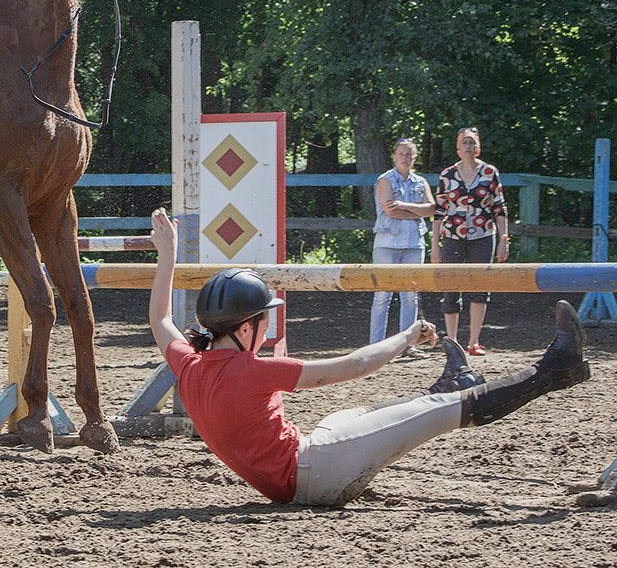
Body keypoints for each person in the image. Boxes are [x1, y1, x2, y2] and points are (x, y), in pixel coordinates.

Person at [148, 207, 589, 507]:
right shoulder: (253, 369)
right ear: (245, 328)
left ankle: (448, 388)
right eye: (265, 320)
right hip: (316, 476)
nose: (269, 327)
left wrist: (166, 255)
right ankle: (554, 370)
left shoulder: (189, 364)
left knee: (346, 416)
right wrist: (407, 336)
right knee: (442, 411)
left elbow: (160, 317)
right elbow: (355, 366)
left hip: (297, 473)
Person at [430, 127, 509, 355]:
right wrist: (435, 245)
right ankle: (452, 341)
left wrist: (504, 239)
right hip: (452, 234)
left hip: (483, 233)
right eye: (464, 143)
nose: (468, 147)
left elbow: (499, 206)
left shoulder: (489, 172)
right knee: (451, 284)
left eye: (472, 143)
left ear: (478, 147)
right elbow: (439, 210)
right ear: (457, 148)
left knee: (480, 286)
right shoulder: (448, 174)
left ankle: (474, 341)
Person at [370, 137, 435, 356]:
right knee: (382, 295)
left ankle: (409, 344)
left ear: (414, 157)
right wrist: (418, 211)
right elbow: (390, 210)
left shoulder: (421, 181)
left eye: (409, 154)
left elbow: (432, 209)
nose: (405, 158)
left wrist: (406, 206)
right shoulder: (385, 180)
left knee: (410, 296)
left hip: (414, 243)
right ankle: (376, 345)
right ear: (394, 156)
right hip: (387, 243)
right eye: (401, 154)